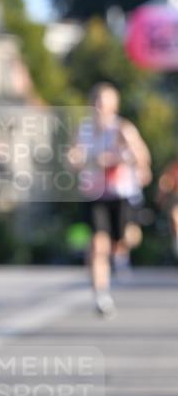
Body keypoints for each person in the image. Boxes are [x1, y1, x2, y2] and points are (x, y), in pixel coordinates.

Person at [69, 83, 151, 316]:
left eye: (104, 103)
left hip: (120, 193)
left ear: (113, 106)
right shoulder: (83, 130)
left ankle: (122, 252)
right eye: (96, 102)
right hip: (94, 194)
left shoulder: (123, 128)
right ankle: (101, 295)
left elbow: (142, 157)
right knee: (98, 245)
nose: (99, 108)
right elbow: (72, 158)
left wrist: (124, 159)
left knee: (124, 240)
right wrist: (80, 160)